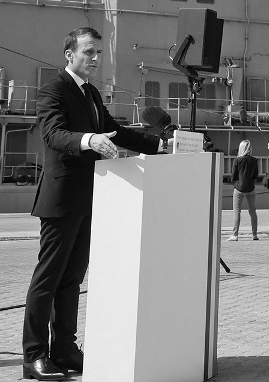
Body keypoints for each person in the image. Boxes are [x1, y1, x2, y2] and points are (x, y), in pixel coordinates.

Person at [22, 27, 164, 381]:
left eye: (99, 52)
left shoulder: (91, 94)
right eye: (89, 52)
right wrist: (89, 139)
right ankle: (34, 356)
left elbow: (117, 132)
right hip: (61, 199)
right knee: (48, 280)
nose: (96, 58)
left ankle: (66, 350)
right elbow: (54, 135)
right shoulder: (52, 90)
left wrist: (161, 145)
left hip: (89, 199)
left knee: (72, 280)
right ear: (70, 54)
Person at [229, 140, 260, 241]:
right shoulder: (254, 160)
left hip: (239, 188)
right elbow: (256, 175)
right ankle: (254, 234)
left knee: (237, 212)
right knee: (252, 211)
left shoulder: (237, 160)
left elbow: (233, 176)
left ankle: (235, 235)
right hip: (251, 188)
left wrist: (235, 182)